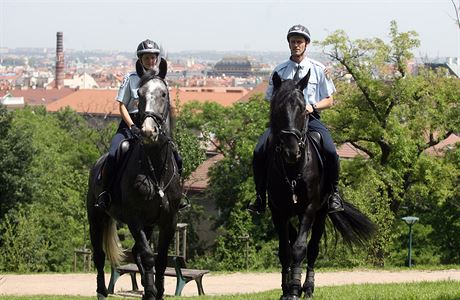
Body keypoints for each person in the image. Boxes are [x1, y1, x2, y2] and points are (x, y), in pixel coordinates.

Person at [247, 24, 344, 215]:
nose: (296, 45)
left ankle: (334, 194)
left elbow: (330, 100)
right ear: (289, 44)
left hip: (310, 118)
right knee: (259, 151)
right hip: (284, 123)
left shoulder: (318, 69)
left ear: (306, 44)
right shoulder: (279, 71)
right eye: (293, 41)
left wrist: (312, 106)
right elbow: (270, 99)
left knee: (331, 151)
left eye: (299, 41)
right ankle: (260, 197)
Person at [95, 39, 187, 211]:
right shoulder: (130, 79)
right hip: (131, 123)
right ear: (140, 60)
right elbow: (122, 105)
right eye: (147, 59)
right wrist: (132, 127)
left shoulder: (160, 80)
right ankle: (105, 193)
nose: (150, 61)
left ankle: (177, 195)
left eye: (153, 58)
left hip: (154, 124)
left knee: (176, 155)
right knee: (116, 151)